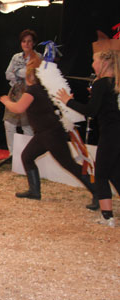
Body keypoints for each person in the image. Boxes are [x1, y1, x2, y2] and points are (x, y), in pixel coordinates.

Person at [0, 53, 97, 206]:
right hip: (44, 133)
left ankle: (98, 192)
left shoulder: (33, 91)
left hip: (50, 133)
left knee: (69, 165)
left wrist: (6, 101)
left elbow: (18, 108)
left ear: (31, 75)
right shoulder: (41, 89)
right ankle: (34, 191)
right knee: (27, 156)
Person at [57, 33, 119, 227]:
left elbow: (90, 111)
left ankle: (107, 217)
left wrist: (69, 101)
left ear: (104, 63)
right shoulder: (114, 84)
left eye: (94, 60)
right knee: (115, 173)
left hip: (111, 134)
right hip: (117, 133)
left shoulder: (102, 83)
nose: (92, 64)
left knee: (100, 174)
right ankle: (107, 214)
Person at [3, 29, 39, 156]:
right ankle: (12, 153)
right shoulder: (16, 57)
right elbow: (8, 74)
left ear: (33, 43)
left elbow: (31, 75)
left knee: (27, 125)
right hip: (15, 92)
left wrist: (17, 73)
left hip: (29, 93)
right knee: (9, 123)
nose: (26, 44)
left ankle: (27, 154)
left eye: (29, 41)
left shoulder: (37, 57)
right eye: (24, 41)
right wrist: (20, 74)